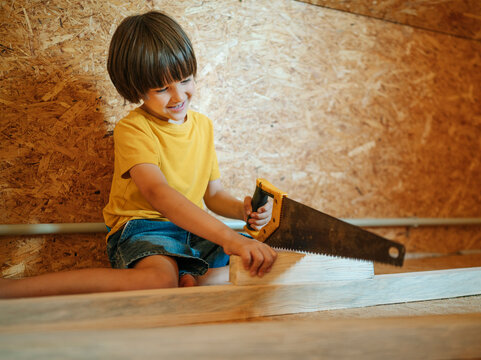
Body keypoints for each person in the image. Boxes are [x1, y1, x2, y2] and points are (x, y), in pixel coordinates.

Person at [0, 10, 276, 298]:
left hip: (194, 232)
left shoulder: (203, 127)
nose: (179, 96)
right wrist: (228, 237)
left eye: (185, 80)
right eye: (161, 88)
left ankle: (192, 276)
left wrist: (242, 210)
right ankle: (13, 290)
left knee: (262, 259)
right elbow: (158, 193)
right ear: (136, 89)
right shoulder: (133, 128)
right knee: (157, 281)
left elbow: (213, 195)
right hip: (145, 229)